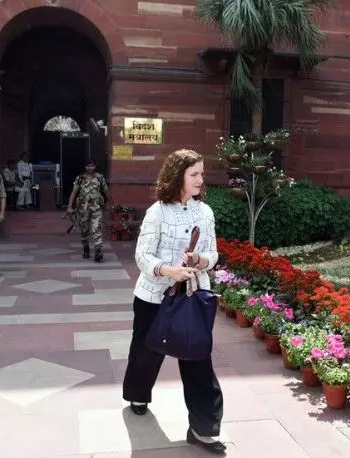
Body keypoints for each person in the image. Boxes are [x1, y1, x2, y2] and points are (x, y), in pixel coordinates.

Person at [122, 149, 225, 455]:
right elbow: (142, 255)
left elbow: (213, 254)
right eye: (194, 174)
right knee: (146, 351)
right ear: (178, 176)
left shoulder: (205, 212)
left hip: (192, 296)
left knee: (197, 359)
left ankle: (203, 429)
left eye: (202, 173)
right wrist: (170, 271)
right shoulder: (158, 211)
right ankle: (138, 394)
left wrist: (199, 260)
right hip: (154, 296)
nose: (200, 179)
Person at [66, 159, 109, 262]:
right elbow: (74, 192)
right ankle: (86, 248)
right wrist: (70, 206)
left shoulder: (100, 177)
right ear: (85, 167)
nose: (90, 168)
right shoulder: (80, 178)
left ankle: (98, 251)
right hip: (83, 209)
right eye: (88, 166)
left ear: (95, 166)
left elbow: (106, 191)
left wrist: (108, 203)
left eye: (92, 166)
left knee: (97, 228)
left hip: (96, 207)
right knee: (84, 230)